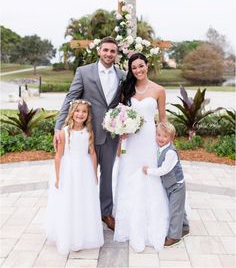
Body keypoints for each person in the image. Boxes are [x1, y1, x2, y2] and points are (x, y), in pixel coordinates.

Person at [54, 37, 125, 230]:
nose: (109, 54)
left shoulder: (122, 75)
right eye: (106, 50)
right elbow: (71, 97)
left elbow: (125, 102)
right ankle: (84, 212)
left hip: (111, 134)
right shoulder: (84, 72)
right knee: (84, 173)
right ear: (99, 51)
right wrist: (59, 127)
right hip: (87, 134)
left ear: (116, 54)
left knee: (107, 174)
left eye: (113, 51)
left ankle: (106, 212)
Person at [113, 52, 169, 252]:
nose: (138, 70)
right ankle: (128, 224)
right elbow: (120, 115)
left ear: (147, 65)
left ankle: (150, 222)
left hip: (148, 139)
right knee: (128, 176)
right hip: (131, 140)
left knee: (149, 175)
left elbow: (162, 118)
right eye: (134, 67)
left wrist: (166, 143)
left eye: (140, 66)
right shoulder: (126, 89)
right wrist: (120, 135)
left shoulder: (159, 90)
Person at [45, 99, 104, 254]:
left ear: (88, 115)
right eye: (77, 111)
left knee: (83, 201)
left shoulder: (88, 131)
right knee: (69, 200)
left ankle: (83, 234)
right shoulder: (64, 132)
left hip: (84, 170)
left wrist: (94, 173)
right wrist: (58, 178)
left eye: (84, 111)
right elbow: (58, 156)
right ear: (72, 112)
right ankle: (68, 234)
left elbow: (92, 153)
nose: (80, 114)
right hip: (69, 170)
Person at [143, 122, 190, 247]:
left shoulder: (171, 153)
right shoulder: (160, 148)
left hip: (177, 186)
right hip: (170, 185)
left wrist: (148, 171)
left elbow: (164, 170)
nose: (160, 138)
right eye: (158, 135)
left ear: (171, 138)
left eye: (164, 136)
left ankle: (174, 236)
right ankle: (185, 227)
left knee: (175, 210)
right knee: (178, 207)